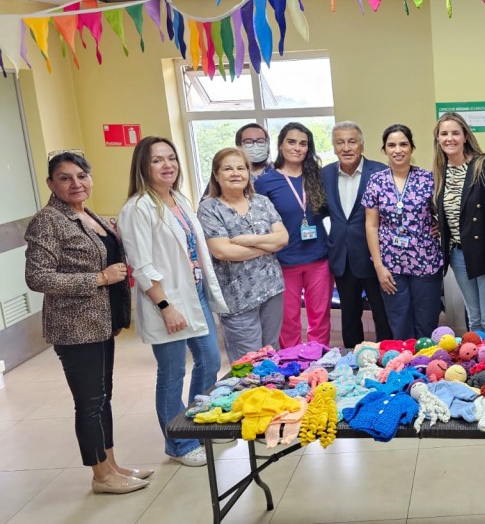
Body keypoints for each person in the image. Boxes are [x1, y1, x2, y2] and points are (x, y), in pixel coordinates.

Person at [24, 152, 151, 494]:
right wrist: (98, 278)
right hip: (75, 327)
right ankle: (101, 476)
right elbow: (38, 277)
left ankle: (110, 463)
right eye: (65, 178)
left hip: (100, 322)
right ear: (51, 184)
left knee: (103, 397)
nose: (76, 183)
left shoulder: (88, 215)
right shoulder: (48, 221)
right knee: (90, 401)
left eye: (81, 175)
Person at [119, 136, 226, 468]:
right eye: (157, 160)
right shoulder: (138, 208)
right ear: (143, 167)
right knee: (172, 373)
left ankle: (200, 425)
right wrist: (166, 307)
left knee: (209, 361)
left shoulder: (178, 199)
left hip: (194, 297)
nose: (167, 165)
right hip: (165, 303)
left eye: (171, 158)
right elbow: (142, 265)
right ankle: (179, 443)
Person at [198, 147, 288, 363]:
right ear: (217, 175)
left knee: (271, 352)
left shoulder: (262, 202)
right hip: (236, 297)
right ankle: (249, 397)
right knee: (248, 360)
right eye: (228, 169)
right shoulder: (209, 208)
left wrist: (248, 240)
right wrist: (268, 245)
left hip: (272, 289)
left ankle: (271, 396)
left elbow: (283, 239)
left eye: (241, 168)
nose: (235, 173)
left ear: (248, 173)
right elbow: (223, 251)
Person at [362, 124, 444, 339]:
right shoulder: (376, 181)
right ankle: (406, 367)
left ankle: (427, 367)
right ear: (384, 150)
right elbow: (371, 225)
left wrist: (438, 227)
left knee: (426, 323)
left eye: (403, 144)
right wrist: (379, 266)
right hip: (391, 266)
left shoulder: (428, 179)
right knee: (399, 323)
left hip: (426, 262)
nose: (398, 150)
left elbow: (443, 214)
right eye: (392, 145)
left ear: (412, 148)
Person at [255, 122, 332, 348]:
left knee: (319, 317)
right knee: (289, 320)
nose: (297, 148)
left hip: (319, 259)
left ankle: (319, 359)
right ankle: (293, 361)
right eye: (291, 142)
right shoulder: (266, 182)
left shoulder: (318, 177)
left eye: (303, 144)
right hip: (283, 261)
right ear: (280, 146)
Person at [432, 112, 485, 335]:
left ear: (465, 136)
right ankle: (478, 365)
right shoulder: (440, 171)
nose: (449, 138)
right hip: (457, 254)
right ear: (437, 138)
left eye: (455, 133)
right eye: (444, 133)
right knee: (474, 318)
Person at [322, 121, 393, 347]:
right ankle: (352, 358)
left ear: (361, 145)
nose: (346, 148)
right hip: (342, 258)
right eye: (340, 142)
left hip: (374, 257)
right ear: (333, 147)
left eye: (352, 141)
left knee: (382, 313)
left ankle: (386, 356)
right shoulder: (324, 175)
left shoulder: (380, 172)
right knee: (349, 315)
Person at [201, 123, 272, 197]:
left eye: (260, 141)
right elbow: (207, 202)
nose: (255, 146)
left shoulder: (278, 173)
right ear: (238, 145)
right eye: (248, 142)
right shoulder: (225, 176)